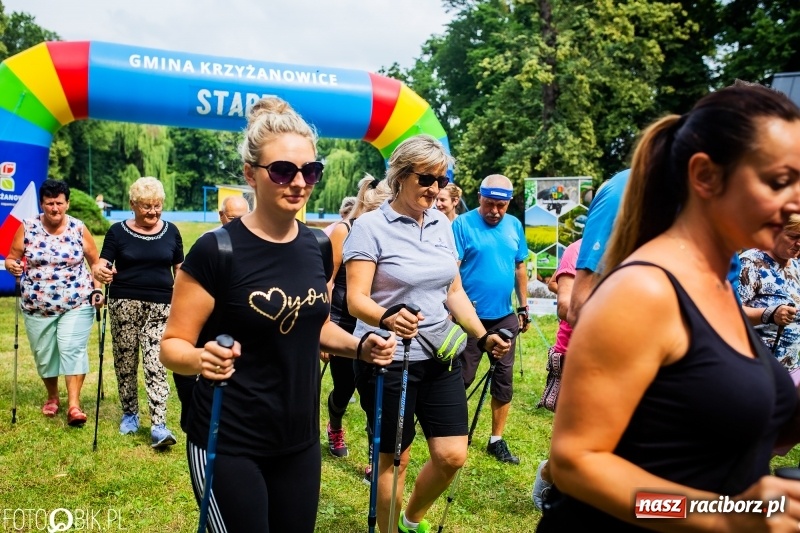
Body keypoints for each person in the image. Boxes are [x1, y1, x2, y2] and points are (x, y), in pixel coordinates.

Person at [539, 82, 800, 532]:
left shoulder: (717, 286)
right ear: (705, 176)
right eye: (779, 182)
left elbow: (722, 428)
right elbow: (576, 466)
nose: (795, 202)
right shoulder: (644, 291)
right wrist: (724, 516)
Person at [159, 96, 396, 533]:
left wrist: (360, 347)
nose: (299, 182)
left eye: (310, 171)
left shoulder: (318, 245)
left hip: (299, 440)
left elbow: (315, 325)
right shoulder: (216, 250)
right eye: (283, 170)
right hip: (228, 440)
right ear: (251, 174)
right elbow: (172, 346)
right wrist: (201, 358)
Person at [344, 134, 510, 533]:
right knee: (394, 459)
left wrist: (482, 336)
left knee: (452, 455)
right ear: (401, 176)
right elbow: (355, 300)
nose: (435, 189)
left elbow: (454, 292)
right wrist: (387, 316)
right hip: (388, 359)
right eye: (426, 179)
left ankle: (410, 519)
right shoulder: (369, 227)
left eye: (441, 180)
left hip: (440, 356)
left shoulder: (441, 223)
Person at [92, 176, 183, 449]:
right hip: (124, 305)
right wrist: (101, 272)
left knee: (156, 363)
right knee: (126, 361)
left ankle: (159, 425)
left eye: (157, 206)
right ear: (133, 204)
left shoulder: (171, 231)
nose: (153, 212)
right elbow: (102, 264)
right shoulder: (117, 232)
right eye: (146, 206)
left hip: (161, 307)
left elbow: (180, 269)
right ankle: (130, 413)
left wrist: (183, 296)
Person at [4, 179, 104, 427]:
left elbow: (95, 263)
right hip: (37, 305)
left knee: (72, 348)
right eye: (50, 203)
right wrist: (12, 265)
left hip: (77, 301)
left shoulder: (78, 228)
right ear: (42, 204)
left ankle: (74, 406)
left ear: (67, 203)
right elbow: (11, 257)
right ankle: (52, 396)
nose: (55, 208)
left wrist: (97, 288)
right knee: (45, 354)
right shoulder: (27, 227)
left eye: (59, 203)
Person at [452, 174, 530, 464]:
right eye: (489, 204)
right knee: (463, 376)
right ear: (479, 198)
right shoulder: (462, 224)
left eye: (501, 206)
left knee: (503, 380)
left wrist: (523, 307)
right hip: (470, 317)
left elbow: (519, 267)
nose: (495, 211)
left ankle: (496, 439)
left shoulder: (514, 225)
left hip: (504, 316)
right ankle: (453, 430)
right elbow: (452, 269)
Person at [323, 175, 391, 468]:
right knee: (344, 388)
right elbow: (327, 280)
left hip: (374, 322)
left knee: (374, 394)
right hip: (342, 323)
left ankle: (375, 457)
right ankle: (335, 425)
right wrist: (324, 326)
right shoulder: (344, 230)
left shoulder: (389, 232)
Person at [532, 238, 581, 509]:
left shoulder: (635, 250)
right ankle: (548, 474)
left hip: (620, 356)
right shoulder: (578, 250)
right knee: (572, 437)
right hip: (574, 353)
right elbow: (564, 304)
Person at [739, 214, 800, 382]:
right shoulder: (751, 263)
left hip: (791, 368)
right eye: (793, 236)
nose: (799, 243)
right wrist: (769, 314)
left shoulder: (796, 265)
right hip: (757, 366)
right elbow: (730, 313)